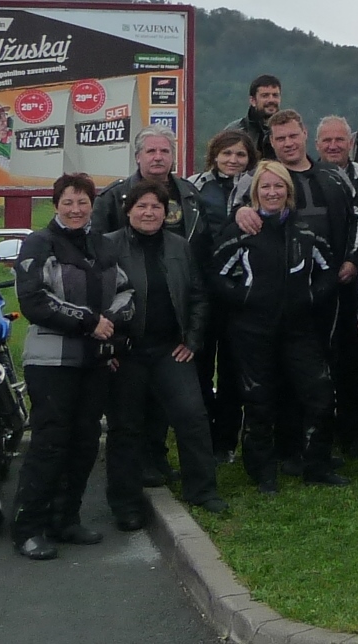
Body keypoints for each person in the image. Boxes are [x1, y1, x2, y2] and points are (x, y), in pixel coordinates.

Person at [231, 110, 358, 466]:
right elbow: (236, 214)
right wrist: (239, 213)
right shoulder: (261, 178)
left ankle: (335, 441)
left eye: (293, 136)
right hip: (278, 298)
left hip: (332, 286)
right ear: (271, 142)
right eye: (280, 139)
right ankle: (286, 446)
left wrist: (352, 259)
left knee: (335, 364)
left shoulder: (333, 176)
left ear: (305, 134)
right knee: (282, 372)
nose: (288, 143)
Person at [7, 174, 135, 560]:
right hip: (51, 361)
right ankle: (28, 528)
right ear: (56, 205)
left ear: (92, 205)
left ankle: (65, 518)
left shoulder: (103, 244)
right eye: (68, 202)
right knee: (50, 443)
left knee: (84, 442)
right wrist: (89, 321)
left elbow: (126, 291)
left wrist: (111, 320)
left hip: (94, 361)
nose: (76, 210)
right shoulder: (39, 243)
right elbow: (33, 300)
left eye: (83, 202)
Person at [212, 160, 349, 494]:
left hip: (299, 329)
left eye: (278, 186)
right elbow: (215, 274)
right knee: (258, 401)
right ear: (255, 192)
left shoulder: (306, 231)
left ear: (288, 191)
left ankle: (316, 465)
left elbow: (329, 272)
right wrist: (246, 298)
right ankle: (262, 472)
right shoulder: (240, 231)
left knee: (320, 395)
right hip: (252, 331)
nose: (272, 193)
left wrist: (310, 298)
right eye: (266, 187)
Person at [101, 180, 227, 531]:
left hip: (170, 350)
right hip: (125, 353)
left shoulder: (179, 247)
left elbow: (199, 295)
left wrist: (193, 340)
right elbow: (95, 298)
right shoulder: (108, 246)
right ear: (128, 211)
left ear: (166, 212)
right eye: (141, 206)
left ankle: (202, 490)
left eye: (156, 207)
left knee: (192, 417)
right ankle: (126, 504)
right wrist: (107, 348)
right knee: (125, 428)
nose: (149, 213)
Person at [90, 124, 205, 487]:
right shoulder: (112, 200)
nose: (158, 157)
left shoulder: (190, 195)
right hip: (127, 339)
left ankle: (163, 464)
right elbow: (95, 270)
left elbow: (198, 280)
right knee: (127, 417)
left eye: (164, 151)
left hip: (172, 330)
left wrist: (193, 335)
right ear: (138, 156)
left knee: (179, 410)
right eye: (151, 151)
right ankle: (129, 484)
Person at [189, 130, 257, 464]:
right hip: (202, 288)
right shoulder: (195, 186)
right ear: (214, 155)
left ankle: (226, 439)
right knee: (200, 365)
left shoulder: (259, 185)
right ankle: (202, 434)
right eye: (227, 153)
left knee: (233, 369)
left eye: (240, 154)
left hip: (240, 289)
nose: (233, 160)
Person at [315, 116, 358, 201]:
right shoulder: (304, 181)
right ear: (317, 145)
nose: (333, 146)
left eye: (339, 140)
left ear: (351, 143)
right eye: (327, 140)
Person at [224, 74, 282, 161]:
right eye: (265, 95)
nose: (271, 100)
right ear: (253, 101)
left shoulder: (289, 132)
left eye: (275, 95)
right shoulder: (235, 131)